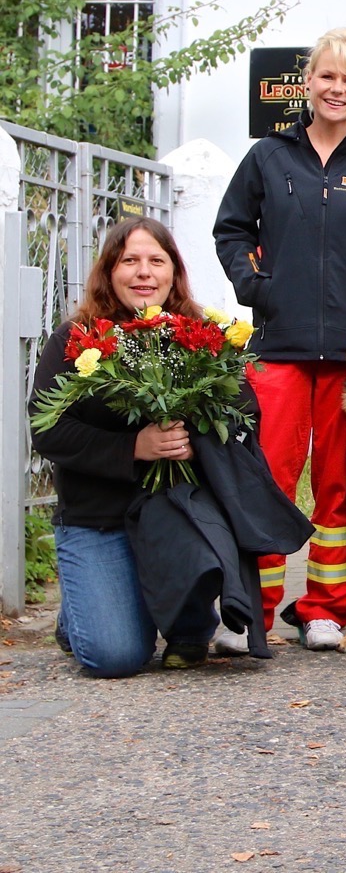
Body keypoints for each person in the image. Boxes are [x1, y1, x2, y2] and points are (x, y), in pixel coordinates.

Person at [214, 27, 346, 651]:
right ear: (308, 83)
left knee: (339, 482)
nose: (337, 89)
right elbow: (230, 229)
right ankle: (254, 607)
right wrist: (256, 286)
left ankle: (324, 608)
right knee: (271, 477)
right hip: (279, 346)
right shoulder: (267, 159)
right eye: (327, 76)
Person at [33, 220, 238, 675]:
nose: (143, 273)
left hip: (178, 519)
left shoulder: (203, 338)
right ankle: (79, 610)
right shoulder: (75, 338)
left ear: (173, 272)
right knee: (116, 656)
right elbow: (47, 431)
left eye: (155, 261)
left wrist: (194, 444)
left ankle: (186, 620)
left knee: (174, 633)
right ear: (109, 271)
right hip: (99, 520)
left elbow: (242, 422)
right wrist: (135, 447)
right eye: (130, 261)